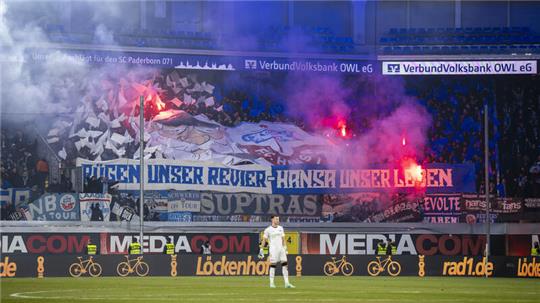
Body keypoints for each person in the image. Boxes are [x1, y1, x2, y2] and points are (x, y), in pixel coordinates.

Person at [259, 215, 295, 288]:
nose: (278, 220)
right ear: (272, 220)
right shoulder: (268, 230)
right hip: (273, 249)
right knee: (273, 265)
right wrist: (261, 249)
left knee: (285, 265)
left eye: (278, 219)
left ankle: (287, 283)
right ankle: (271, 283)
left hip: (281, 249)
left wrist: (285, 248)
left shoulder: (281, 228)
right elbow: (264, 240)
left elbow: (283, 239)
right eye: (276, 219)